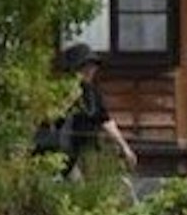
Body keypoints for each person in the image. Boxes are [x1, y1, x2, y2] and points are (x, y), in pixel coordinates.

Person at [44, 42, 137, 176]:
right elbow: (50, 118)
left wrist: (124, 147)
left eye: (92, 67)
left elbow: (105, 120)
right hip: (61, 152)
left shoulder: (92, 93)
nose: (90, 71)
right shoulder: (59, 91)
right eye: (85, 67)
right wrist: (69, 99)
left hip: (87, 151)